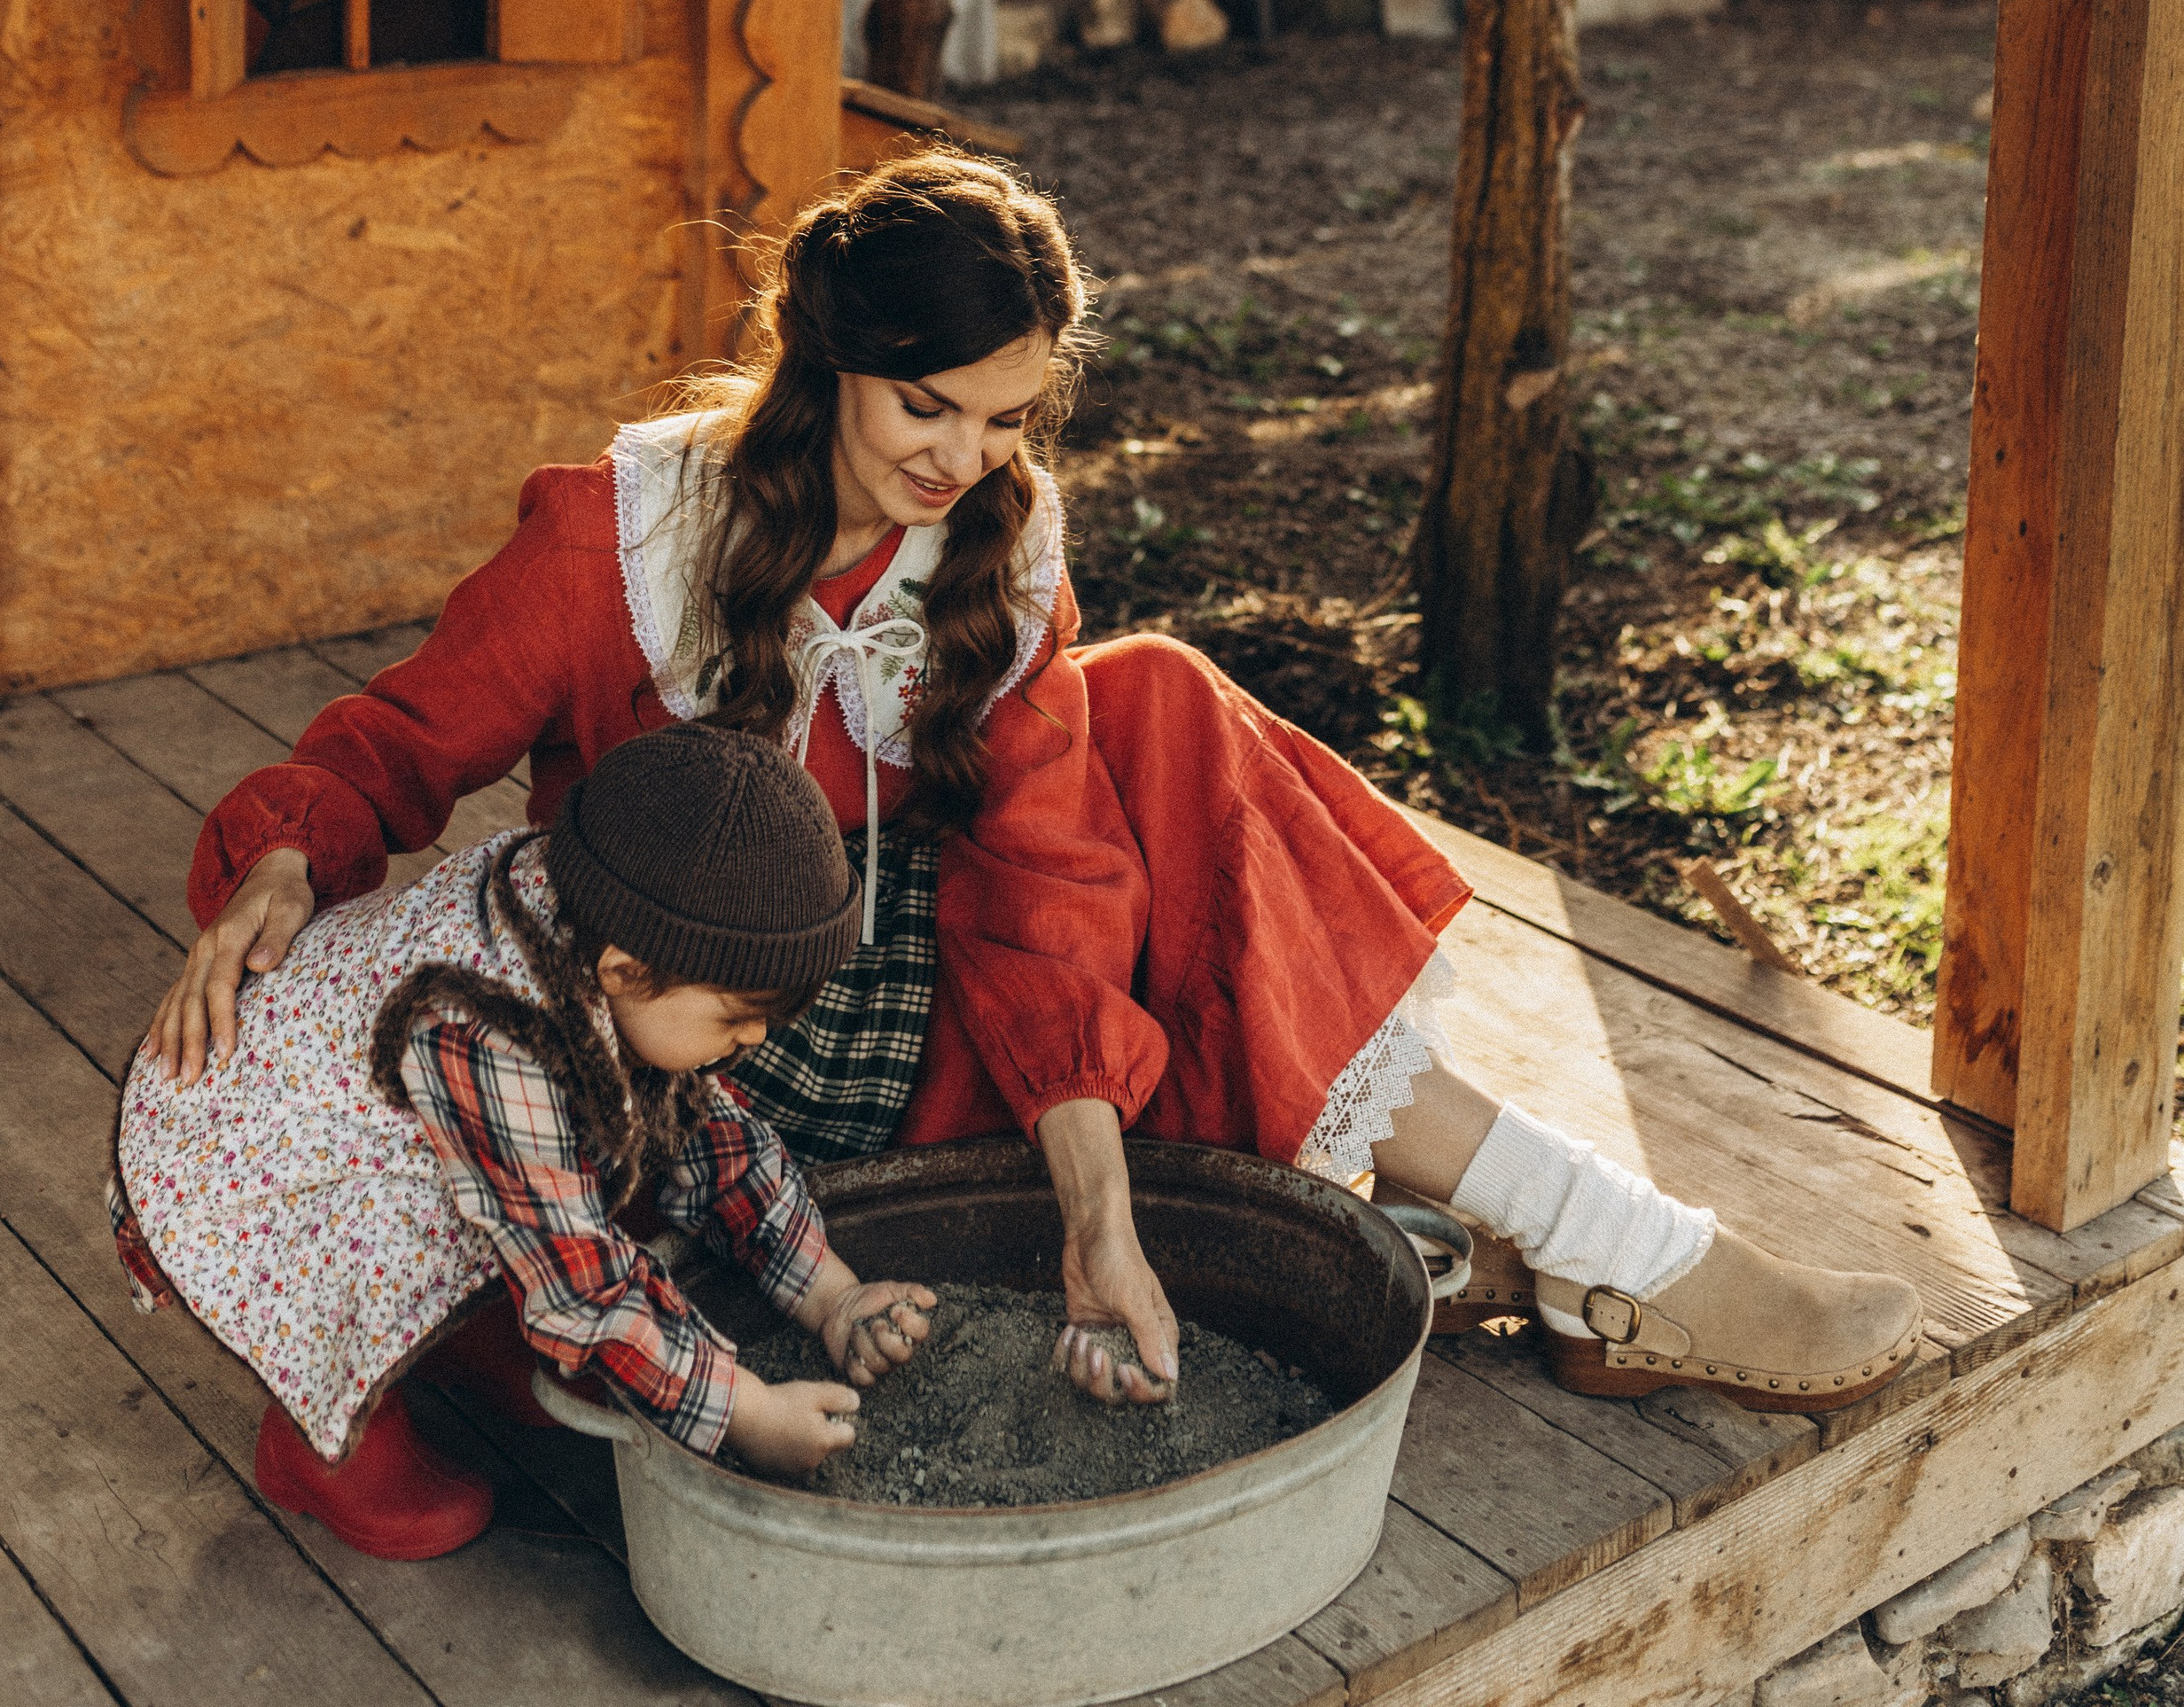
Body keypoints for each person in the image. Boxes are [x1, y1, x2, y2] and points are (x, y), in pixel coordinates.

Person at [152, 152, 1921, 1419]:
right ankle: (1536, 1247)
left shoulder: (994, 549)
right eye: (927, 406)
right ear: (826, 359)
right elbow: (400, 742)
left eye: (1008, 419)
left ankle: (1596, 1240)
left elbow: (1046, 891)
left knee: (1150, 714)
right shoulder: (616, 538)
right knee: (1161, 761)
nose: (964, 459)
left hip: (921, 1011)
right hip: (698, 1045)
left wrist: (1090, 1211)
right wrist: (290, 857)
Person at [114, 726, 939, 1556]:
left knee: (565, 1160)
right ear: (622, 973)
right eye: (738, 1016)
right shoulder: (482, 1029)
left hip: (352, 1112)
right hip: (237, 1166)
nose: (755, 1038)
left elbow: (704, 1133)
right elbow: (577, 1280)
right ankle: (323, 1451)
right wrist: (747, 1412)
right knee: (486, 1210)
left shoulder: (605, 917)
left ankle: (456, 1343)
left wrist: (832, 1297)